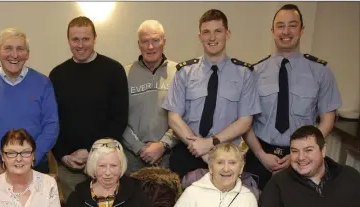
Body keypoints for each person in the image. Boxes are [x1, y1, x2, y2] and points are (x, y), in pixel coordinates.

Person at [244, 4, 341, 190]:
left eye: (292, 25)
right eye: (280, 26)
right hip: (260, 155)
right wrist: (261, 155)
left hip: (303, 159)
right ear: (272, 31)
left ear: (302, 30)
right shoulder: (254, 72)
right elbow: (245, 121)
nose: (286, 31)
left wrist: (300, 154)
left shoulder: (321, 72)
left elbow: (327, 120)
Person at [162, 9, 260, 179]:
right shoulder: (185, 72)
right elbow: (174, 118)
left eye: (218, 31)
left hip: (227, 157)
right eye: (206, 32)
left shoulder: (244, 73)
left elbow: (245, 121)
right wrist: (198, 147)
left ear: (227, 34)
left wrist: (210, 143)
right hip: (188, 153)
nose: (212, 38)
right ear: (200, 36)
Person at [50, 16, 128, 200]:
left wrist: (93, 151)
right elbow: (52, 121)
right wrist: (63, 156)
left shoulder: (114, 70)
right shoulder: (57, 75)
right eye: (75, 39)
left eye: (86, 39)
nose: (80, 44)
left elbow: (119, 119)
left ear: (95, 38)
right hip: (70, 168)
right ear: (68, 40)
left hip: (107, 165)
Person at [0, 28, 59, 181]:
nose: (14, 55)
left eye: (20, 49)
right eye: (8, 48)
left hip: (35, 168)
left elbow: (51, 125)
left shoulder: (43, 83)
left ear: (27, 54)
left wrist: (30, 160)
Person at [122, 20, 179, 173]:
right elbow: (117, 117)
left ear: (164, 41)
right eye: (145, 41)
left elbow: (185, 116)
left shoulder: (179, 72)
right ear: (138, 44)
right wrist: (139, 147)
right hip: (132, 157)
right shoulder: (124, 74)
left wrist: (163, 145)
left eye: (155, 40)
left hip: (169, 155)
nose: (150, 47)